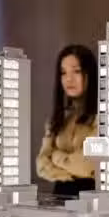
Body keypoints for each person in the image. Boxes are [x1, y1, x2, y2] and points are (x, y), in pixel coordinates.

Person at [36, 44, 98, 197]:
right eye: (63, 72)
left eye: (76, 71)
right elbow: (42, 165)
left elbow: (89, 165)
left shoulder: (102, 117)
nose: (69, 79)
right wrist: (71, 170)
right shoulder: (59, 118)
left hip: (90, 198)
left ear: (89, 74)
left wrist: (55, 157)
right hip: (59, 197)